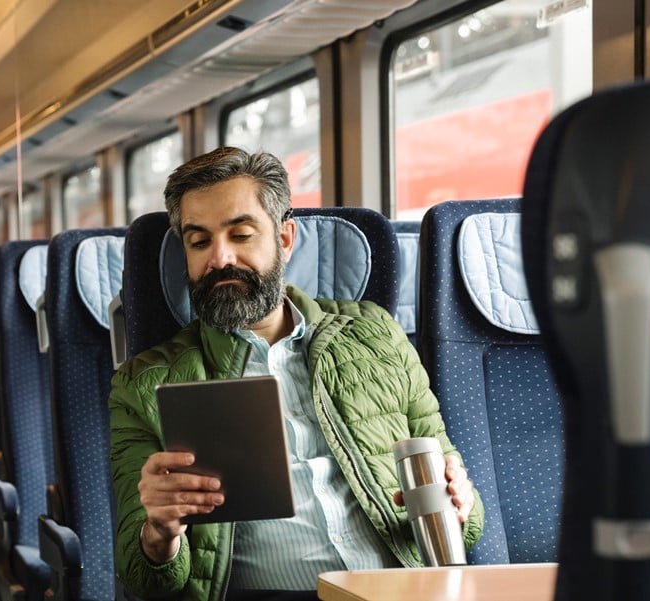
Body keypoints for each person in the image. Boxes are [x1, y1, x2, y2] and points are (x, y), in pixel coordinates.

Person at [108, 146, 483, 601]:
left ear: (284, 239)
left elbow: (461, 518)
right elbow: (142, 577)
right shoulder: (143, 383)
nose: (220, 258)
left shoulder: (375, 334)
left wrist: (461, 503)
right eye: (199, 241)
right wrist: (160, 531)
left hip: (397, 587)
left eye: (241, 234)